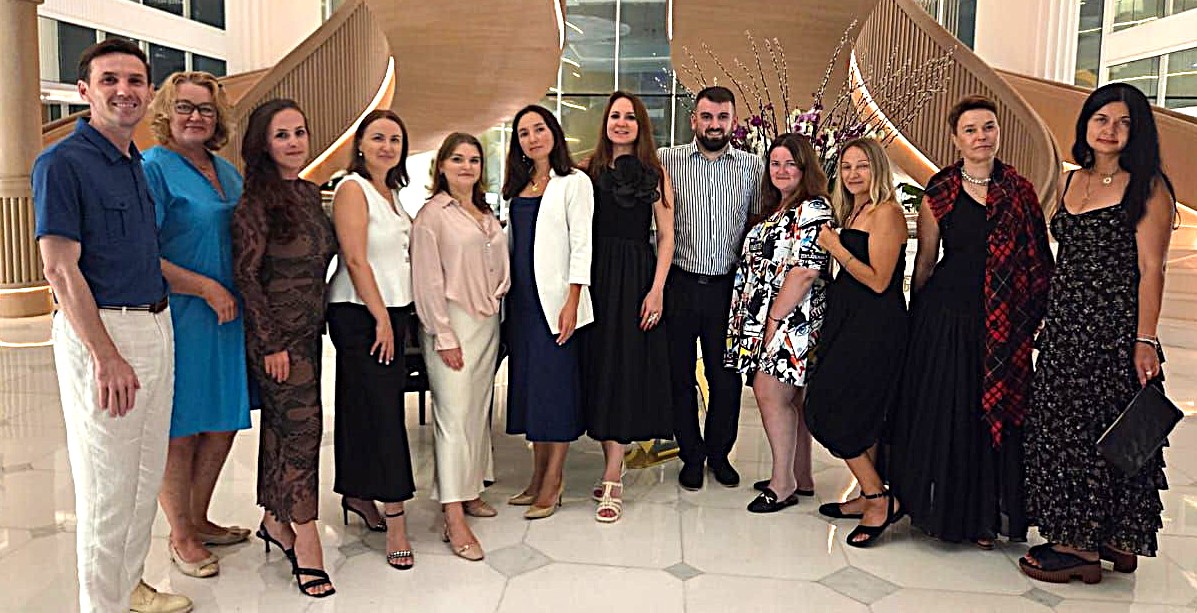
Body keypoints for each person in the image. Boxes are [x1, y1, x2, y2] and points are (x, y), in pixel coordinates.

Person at [33, 39, 191, 613]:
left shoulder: (134, 164)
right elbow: (59, 268)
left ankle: (129, 589)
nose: (124, 90)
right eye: (109, 80)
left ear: (148, 93)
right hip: (105, 334)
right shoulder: (62, 163)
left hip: (154, 325)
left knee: (144, 477)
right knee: (106, 488)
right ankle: (101, 605)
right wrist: (106, 357)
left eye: (135, 80)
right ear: (84, 91)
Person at [1020, 83, 1176, 584]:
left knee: (1100, 432)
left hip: (1114, 332)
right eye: (1101, 118)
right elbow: (1065, 259)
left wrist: (1144, 340)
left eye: (1123, 122)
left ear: (1137, 132)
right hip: (1066, 329)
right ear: (1086, 123)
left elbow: (1152, 269)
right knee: (1063, 429)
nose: (1110, 130)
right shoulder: (1071, 181)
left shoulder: (1147, 187)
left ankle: (1077, 547)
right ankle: (1110, 538)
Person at [888, 95, 1053, 549]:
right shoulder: (940, 190)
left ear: (998, 132)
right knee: (952, 414)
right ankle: (945, 513)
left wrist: (1037, 317)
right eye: (971, 130)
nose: (981, 137)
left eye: (988, 127)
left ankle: (986, 517)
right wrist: (917, 319)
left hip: (1003, 323)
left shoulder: (1020, 191)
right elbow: (926, 260)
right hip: (947, 318)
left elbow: (1040, 259)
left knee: (992, 415)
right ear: (956, 139)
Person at [143, 70, 252, 580]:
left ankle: (201, 517)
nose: (195, 117)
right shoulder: (152, 168)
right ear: (166, 113)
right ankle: (180, 533)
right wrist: (204, 287)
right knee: (182, 427)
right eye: (184, 107)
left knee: (223, 420)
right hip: (183, 314)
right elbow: (142, 253)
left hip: (229, 317)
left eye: (205, 109)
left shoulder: (226, 171)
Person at [232, 98, 338, 598]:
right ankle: (307, 539)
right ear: (263, 144)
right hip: (275, 339)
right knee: (303, 431)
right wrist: (270, 343)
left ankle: (275, 520)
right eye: (282, 135)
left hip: (308, 335)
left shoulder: (310, 194)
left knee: (282, 430)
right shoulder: (256, 202)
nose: (294, 142)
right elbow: (247, 277)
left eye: (300, 132)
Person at [659, 85, 764, 490]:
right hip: (679, 284)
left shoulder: (753, 168)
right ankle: (691, 454)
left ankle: (719, 454)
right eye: (707, 116)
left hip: (727, 289)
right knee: (679, 375)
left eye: (722, 117)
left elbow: (758, 225)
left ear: (734, 122)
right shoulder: (667, 161)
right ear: (694, 120)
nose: (714, 125)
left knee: (725, 378)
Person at [412, 132, 511, 559]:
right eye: (457, 159)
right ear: (441, 166)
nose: (466, 166)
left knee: (475, 413)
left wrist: (500, 290)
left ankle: (470, 491)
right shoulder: (432, 216)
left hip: (486, 322)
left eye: (473, 159)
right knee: (452, 417)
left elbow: (499, 262)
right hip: (451, 321)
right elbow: (427, 281)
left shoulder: (485, 212)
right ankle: (453, 516)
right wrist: (443, 335)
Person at [325, 109, 417, 570]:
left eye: (395, 139)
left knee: (362, 407)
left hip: (391, 311)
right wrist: (381, 318)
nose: (387, 146)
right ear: (360, 144)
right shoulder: (352, 189)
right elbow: (356, 259)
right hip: (361, 313)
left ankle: (357, 492)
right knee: (385, 415)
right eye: (378, 137)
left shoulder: (392, 195)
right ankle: (396, 519)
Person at [806, 138, 909, 547]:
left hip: (875, 326)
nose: (852, 174)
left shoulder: (887, 213)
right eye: (846, 167)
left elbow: (879, 281)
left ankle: (878, 498)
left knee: (827, 410)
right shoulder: (853, 210)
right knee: (858, 412)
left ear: (877, 169)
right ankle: (869, 494)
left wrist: (835, 247)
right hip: (847, 321)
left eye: (862, 166)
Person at [578, 91, 675, 523]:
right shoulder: (588, 169)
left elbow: (667, 235)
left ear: (640, 125)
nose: (621, 122)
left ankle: (613, 475)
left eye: (630, 117)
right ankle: (611, 462)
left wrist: (657, 290)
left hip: (636, 277)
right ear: (605, 122)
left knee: (625, 368)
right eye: (615, 115)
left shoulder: (656, 173)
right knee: (601, 366)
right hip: (596, 276)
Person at [725, 133, 832, 513]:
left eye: (790, 163)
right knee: (790, 399)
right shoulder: (778, 207)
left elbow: (806, 270)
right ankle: (800, 475)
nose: (781, 170)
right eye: (775, 163)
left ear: (805, 168)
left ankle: (782, 483)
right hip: (770, 314)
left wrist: (773, 319)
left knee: (769, 392)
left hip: (791, 318)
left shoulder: (813, 208)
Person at [503, 104, 594, 519]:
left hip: (556, 305)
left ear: (554, 133)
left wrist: (572, 301)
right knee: (533, 392)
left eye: (539, 129)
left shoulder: (574, 182)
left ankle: (553, 481)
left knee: (555, 393)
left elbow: (582, 245)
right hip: (521, 304)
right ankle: (537, 477)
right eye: (524, 133)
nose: (532, 138)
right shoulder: (518, 187)